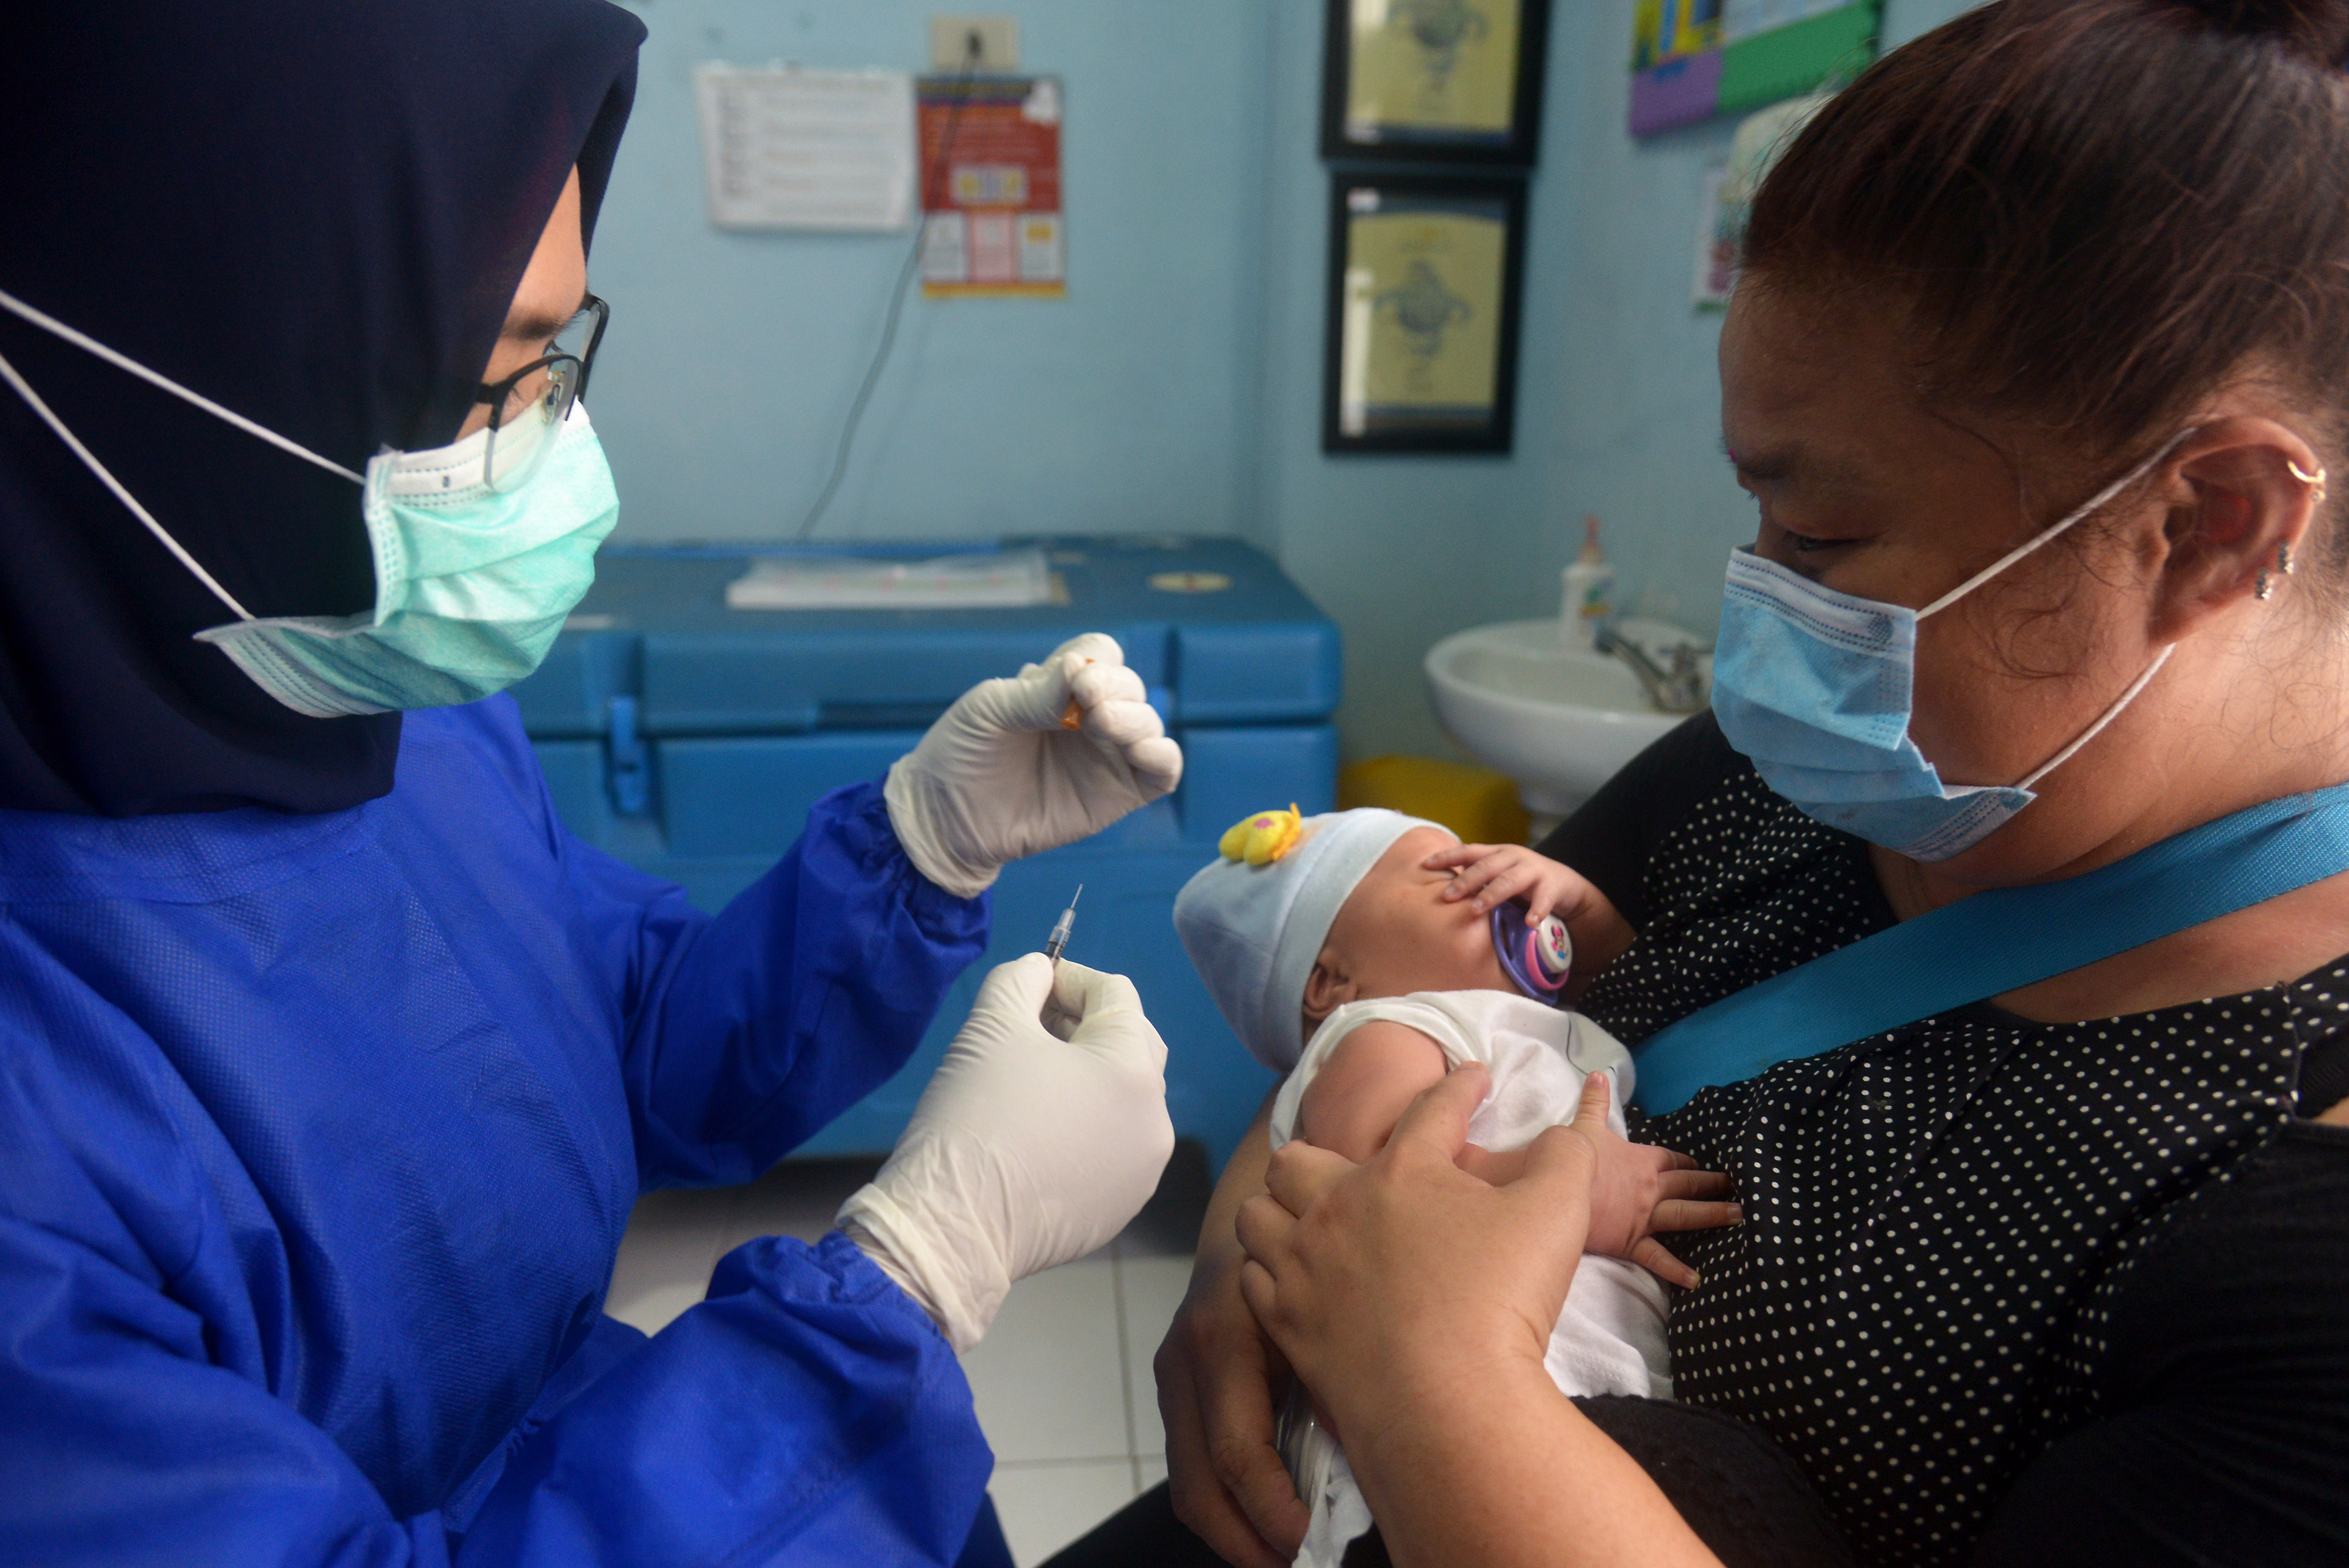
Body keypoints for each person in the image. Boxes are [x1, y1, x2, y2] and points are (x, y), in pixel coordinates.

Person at [1055, 2, 2349, 1566]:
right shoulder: (1822, 758)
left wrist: (1429, 1377)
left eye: (1822, 538)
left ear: (2210, 524)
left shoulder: (2282, 1210)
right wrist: (1263, 1220)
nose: (1764, 609)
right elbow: (1433, 986)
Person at [0, 5, 1184, 1564]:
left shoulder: (366, 705)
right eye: (495, 374)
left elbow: (637, 1035)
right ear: (196, 392)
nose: (558, 439)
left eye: (562, 349)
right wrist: (909, 1272)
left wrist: (923, 844)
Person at [1170, 808, 1739, 1567]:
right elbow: (1368, 1191)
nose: (1481, 878)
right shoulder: (1389, 1027)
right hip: (1416, 1459)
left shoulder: (1528, 1025)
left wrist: (1589, 913)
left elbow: (1662, 989)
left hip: (1563, 1425)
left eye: (1470, 858)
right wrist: (1570, 1188)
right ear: (1331, 979)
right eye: (1438, 872)